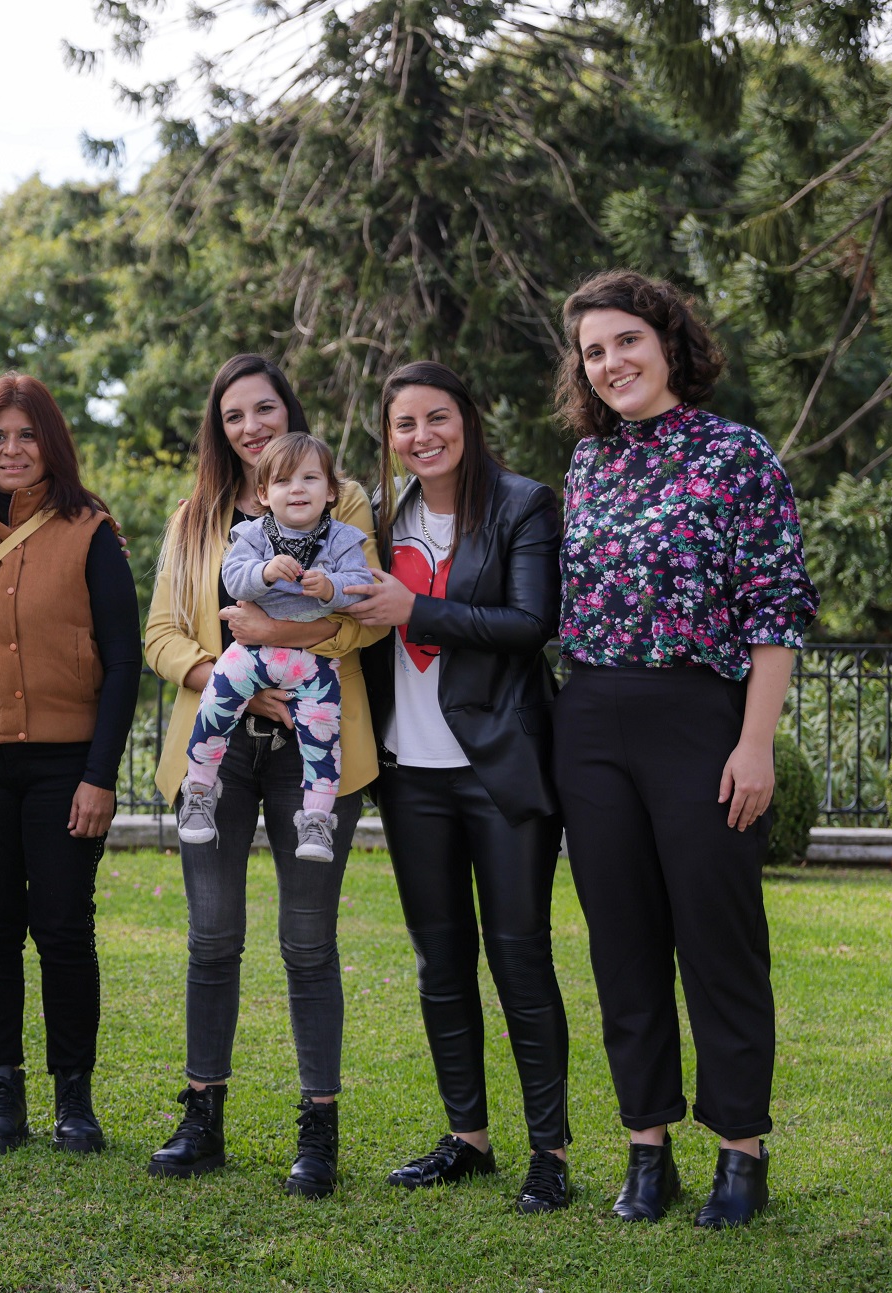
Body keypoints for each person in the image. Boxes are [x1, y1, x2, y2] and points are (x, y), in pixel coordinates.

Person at [554, 270, 817, 1229]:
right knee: (622, 943)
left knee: (720, 941)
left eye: (627, 341)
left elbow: (776, 606)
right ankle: (646, 1149)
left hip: (702, 721)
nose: (612, 362)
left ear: (667, 343)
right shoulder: (587, 465)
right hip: (590, 722)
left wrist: (757, 742)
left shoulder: (737, 453)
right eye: (594, 351)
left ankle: (740, 1153)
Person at [142, 354, 388, 1191]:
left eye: (266, 409)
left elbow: (366, 616)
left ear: (291, 413)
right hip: (220, 742)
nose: (253, 427)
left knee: (308, 942)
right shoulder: (197, 517)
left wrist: (272, 639)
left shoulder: (341, 499)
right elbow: (165, 633)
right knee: (213, 937)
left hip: (315, 746)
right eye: (236, 415)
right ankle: (201, 1114)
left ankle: (318, 1129)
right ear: (221, 427)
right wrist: (232, 681)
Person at [350, 361, 571, 1212]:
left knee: (520, 960)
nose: (421, 437)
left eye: (435, 417)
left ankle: (548, 1151)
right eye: (404, 425)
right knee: (441, 962)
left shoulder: (522, 504)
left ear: (466, 420)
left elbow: (530, 624)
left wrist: (417, 611)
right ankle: (468, 1138)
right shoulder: (376, 518)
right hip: (411, 776)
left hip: (498, 770)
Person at [0, 373, 141, 1154]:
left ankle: (74, 1099)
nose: (11, 450)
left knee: (62, 926)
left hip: (65, 766)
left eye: (26, 435)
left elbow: (123, 660)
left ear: (50, 442)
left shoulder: (90, 528)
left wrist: (101, 773)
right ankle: (3, 1093)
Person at [176, 433, 374, 860]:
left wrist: (331, 588)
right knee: (214, 705)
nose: (297, 489)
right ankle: (199, 788)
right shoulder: (250, 536)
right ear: (264, 493)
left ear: (331, 491)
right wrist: (264, 572)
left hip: (314, 663)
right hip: (250, 656)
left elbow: (361, 589)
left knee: (323, 736)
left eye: (310, 478)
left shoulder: (343, 539)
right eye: (283, 481)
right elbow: (233, 580)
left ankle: (317, 819)